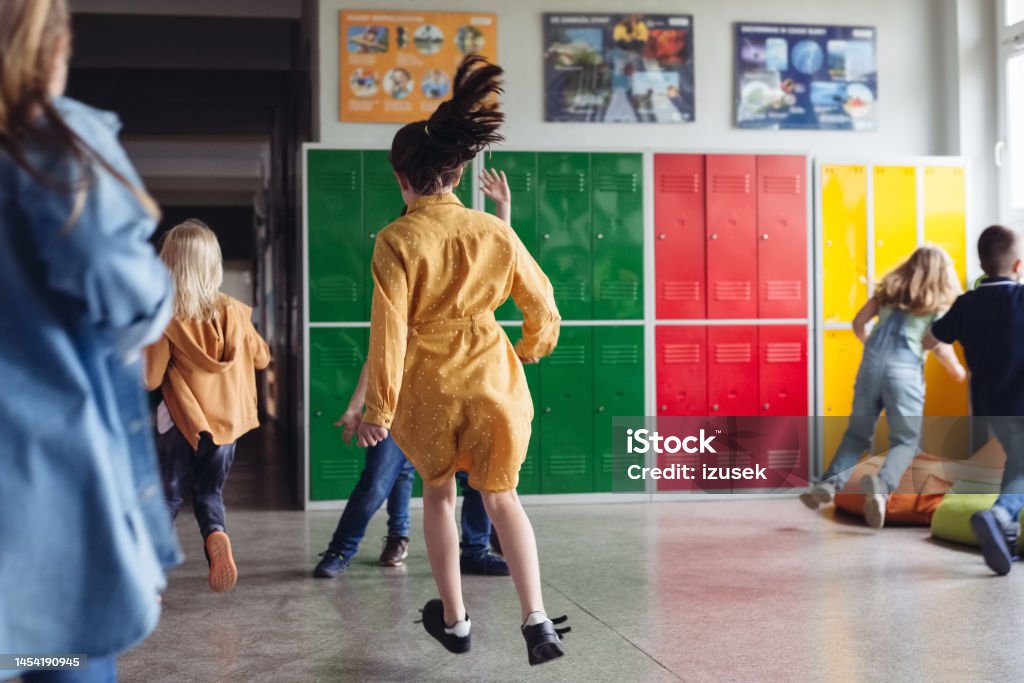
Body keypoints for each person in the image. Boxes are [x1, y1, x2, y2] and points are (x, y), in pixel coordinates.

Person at [355, 55, 569, 665]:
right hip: (492, 375)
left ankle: (455, 621)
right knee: (503, 497)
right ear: (460, 169)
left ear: (403, 177)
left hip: (428, 385)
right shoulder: (493, 233)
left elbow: (389, 331)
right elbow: (543, 306)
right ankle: (536, 618)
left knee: (440, 493)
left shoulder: (396, 239)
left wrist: (379, 408)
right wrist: (526, 351)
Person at [0, 1, 181, 680]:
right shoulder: (50, 141)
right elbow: (127, 297)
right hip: (39, 497)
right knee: (63, 656)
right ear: (51, 47)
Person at [144, 220, 271, 593]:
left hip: (180, 423)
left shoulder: (166, 317)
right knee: (208, 493)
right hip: (225, 426)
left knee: (168, 495)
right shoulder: (235, 312)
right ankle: (216, 534)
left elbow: (150, 380)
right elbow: (262, 358)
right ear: (212, 265)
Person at [801, 245, 965, 528]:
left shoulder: (886, 293)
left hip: (870, 368)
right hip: (904, 373)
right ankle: (882, 487)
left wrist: (871, 347)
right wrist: (956, 370)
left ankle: (828, 484)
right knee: (905, 439)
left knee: (856, 434)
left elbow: (858, 323)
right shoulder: (936, 303)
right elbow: (935, 345)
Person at [313, 362, 509, 577]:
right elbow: (378, 358)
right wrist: (355, 407)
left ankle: (475, 552)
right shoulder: (402, 326)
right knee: (376, 484)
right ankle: (340, 551)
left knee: (474, 480)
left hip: (457, 406)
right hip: (399, 409)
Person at [930, 225, 1024, 575]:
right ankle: (999, 515)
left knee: (1017, 464)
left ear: (982, 263)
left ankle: (1006, 541)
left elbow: (933, 338)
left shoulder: (967, 303)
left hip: (989, 406)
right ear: (1018, 265)